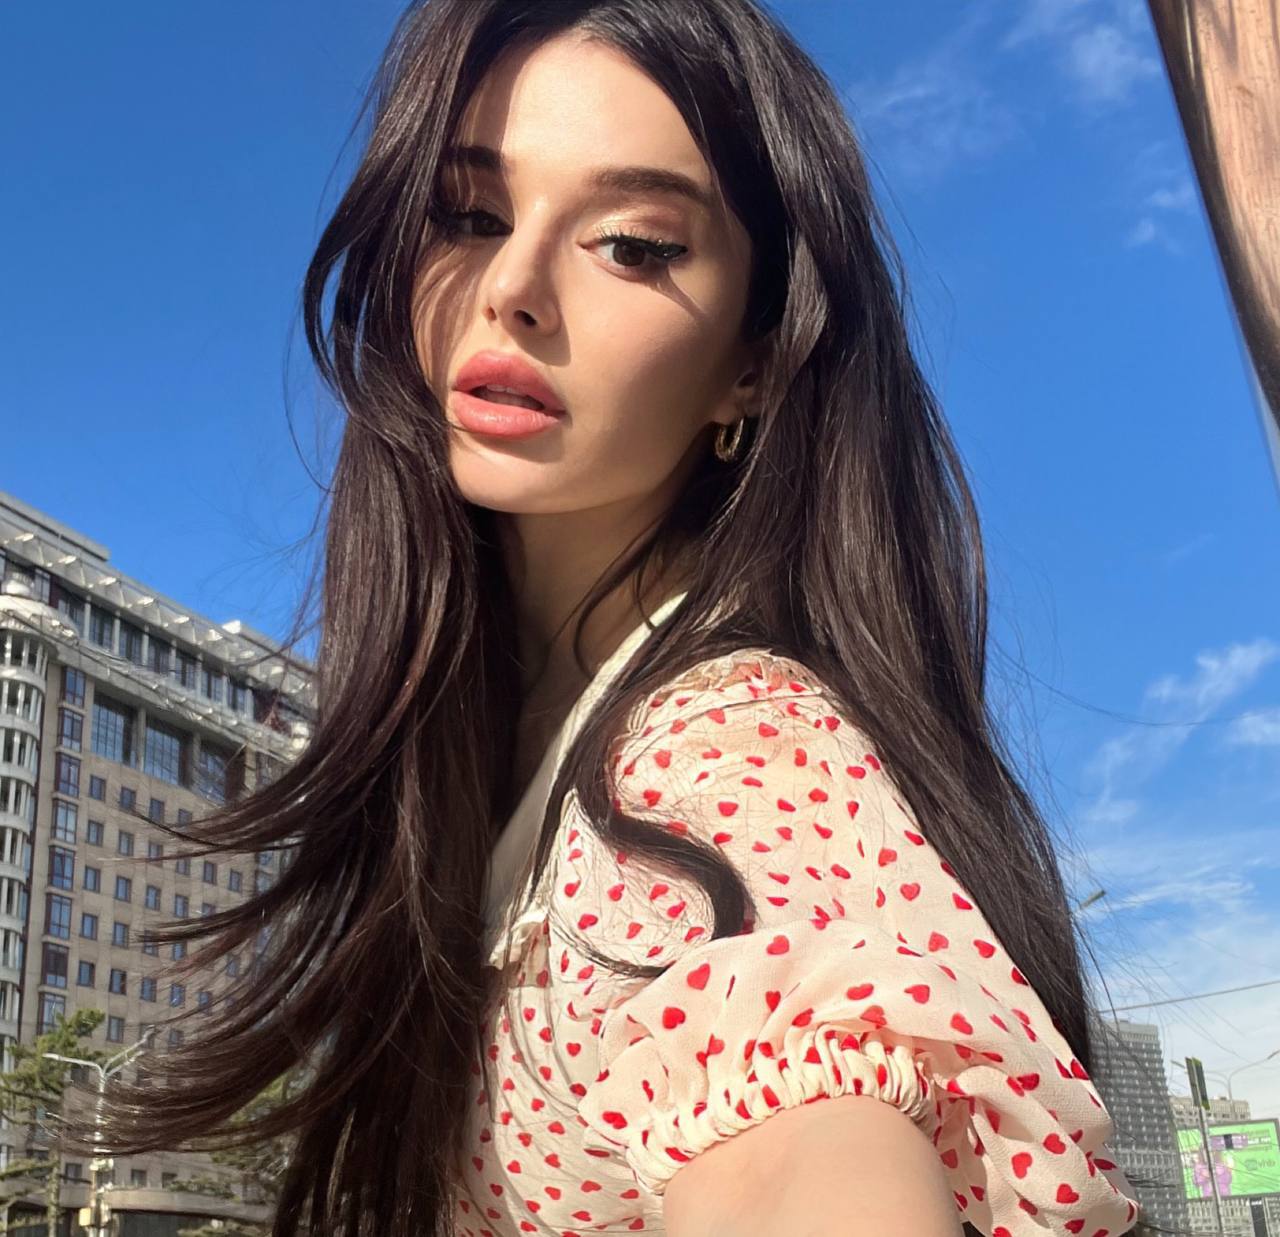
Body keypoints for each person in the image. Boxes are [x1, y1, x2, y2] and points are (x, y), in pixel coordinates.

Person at [88, 2, 1144, 1235]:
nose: (513, 287)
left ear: (752, 364)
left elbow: (806, 1138)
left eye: (635, 245)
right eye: (469, 216)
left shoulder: (729, 752)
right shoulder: (496, 747)